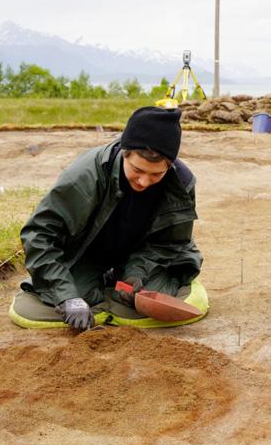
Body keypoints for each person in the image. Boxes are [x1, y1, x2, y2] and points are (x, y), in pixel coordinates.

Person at [13, 106, 205, 330]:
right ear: (125, 151)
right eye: (137, 170)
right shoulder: (86, 175)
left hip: (139, 253)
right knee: (71, 297)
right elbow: (39, 234)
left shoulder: (181, 184)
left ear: (170, 165)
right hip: (85, 252)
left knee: (157, 292)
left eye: (156, 174)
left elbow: (169, 243)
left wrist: (136, 275)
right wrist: (67, 297)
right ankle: (99, 280)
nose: (144, 182)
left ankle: (122, 278)